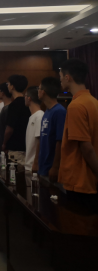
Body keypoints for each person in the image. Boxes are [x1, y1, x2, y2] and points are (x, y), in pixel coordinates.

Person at [58, 59, 98, 212]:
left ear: (68, 77)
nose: (60, 80)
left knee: (79, 223)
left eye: (61, 76)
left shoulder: (76, 106)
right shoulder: (93, 101)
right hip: (90, 180)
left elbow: (86, 147)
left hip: (80, 180)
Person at [33, 78, 65, 180]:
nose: (38, 91)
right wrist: (36, 162)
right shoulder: (47, 111)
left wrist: (55, 167)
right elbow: (42, 138)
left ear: (43, 92)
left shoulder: (59, 111)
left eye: (39, 88)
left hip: (51, 167)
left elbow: (60, 141)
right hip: (43, 165)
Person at [3, 75, 31, 163]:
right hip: (26, 145)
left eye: (8, 84)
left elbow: (9, 129)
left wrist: (4, 143)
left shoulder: (13, 105)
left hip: (15, 147)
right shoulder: (28, 103)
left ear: (12, 86)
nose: (7, 86)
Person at [24, 86, 44, 172]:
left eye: (25, 96)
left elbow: (40, 141)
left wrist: (36, 163)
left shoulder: (39, 116)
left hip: (33, 166)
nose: (24, 98)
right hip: (28, 164)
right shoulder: (32, 116)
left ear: (29, 98)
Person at [0, 83, 13, 155]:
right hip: (0, 142)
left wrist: (4, 143)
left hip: (4, 144)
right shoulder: (4, 107)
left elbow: (8, 128)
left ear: (2, 93)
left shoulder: (9, 108)